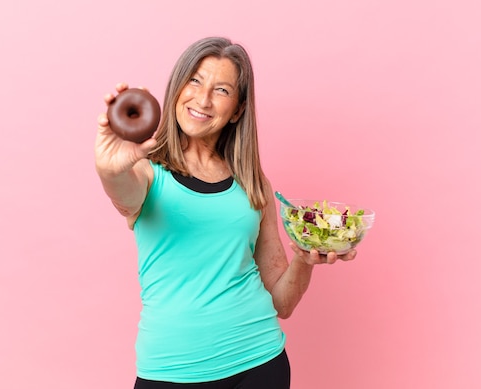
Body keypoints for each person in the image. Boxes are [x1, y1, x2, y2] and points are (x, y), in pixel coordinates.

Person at [95, 37, 357, 389]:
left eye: (221, 90)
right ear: (176, 88)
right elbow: (122, 194)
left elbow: (282, 302)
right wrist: (109, 169)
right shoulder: (144, 172)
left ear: (236, 109)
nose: (202, 100)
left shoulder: (253, 183)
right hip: (171, 371)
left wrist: (305, 256)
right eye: (195, 81)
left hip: (259, 361)